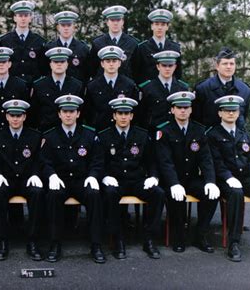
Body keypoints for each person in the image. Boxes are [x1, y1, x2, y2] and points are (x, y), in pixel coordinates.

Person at [40, 95, 105, 263]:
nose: (68, 115)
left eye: (72, 111)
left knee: (94, 195)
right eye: (65, 111)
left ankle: (96, 244)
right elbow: (44, 162)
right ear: (59, 114)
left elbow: (97, 160)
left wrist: (93, 176)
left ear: (78, 113)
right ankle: (55, 244)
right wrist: (52, 175)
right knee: (53, 196)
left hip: (82, 180)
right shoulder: (50, 136)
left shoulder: (89, 135)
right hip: (60, 180)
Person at [155, 91, 220, 253]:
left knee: (212, 194)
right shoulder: (164, 131)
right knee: (176, 198)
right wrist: (174, 183)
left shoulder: (199, 131)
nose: (183, 110)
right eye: (179, 107)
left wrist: (211, 181)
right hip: (172, 180)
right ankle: (178, 237)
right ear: (172, 110)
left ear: (191, 110)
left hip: (191, 178)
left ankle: (200, 234)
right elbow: (165, 162)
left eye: (186, 107)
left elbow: (206, 159)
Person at [99, 97, 164, 259]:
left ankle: (149, 239)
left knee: (158, 193)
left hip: (136, 180)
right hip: (115, 180)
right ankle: (118, 239)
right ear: (114, 115)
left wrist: (154, 177)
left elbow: (152, 160)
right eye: (120, 113)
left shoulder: (142, 135)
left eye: (126, 113)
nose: (123, 117)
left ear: (132, 116)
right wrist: (104, 176)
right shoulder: (104, 136)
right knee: (109, 194)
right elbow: (98, 162)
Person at [0, 99, 44, 261]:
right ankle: (1, 241)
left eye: (18, 115)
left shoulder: (34, 136)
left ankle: (33, 241)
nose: (15, 119)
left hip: (27, 179)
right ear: (6, 116)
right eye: (12, 115)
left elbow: (38, 160)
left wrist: (35, 174)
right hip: (7, 179)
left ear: (24, 117)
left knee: (37, 192)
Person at [206, 95, 250, 262]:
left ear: (238, 113)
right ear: (220, 113)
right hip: (225, 179)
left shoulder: (244, 134)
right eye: (226, 110)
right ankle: (234, 243)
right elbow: (215, 161)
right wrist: (228, 177)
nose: (230, 113)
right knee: (236, 194)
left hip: (245, 177)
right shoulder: (213, 135)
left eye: (234, 110)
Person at [193, 47, 250, 129]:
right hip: (210, 139)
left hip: (235, 140)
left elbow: (243, 117)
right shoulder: (203, 89)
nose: (229, 67)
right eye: (225, 63)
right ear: (217, 66)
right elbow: (197, 120)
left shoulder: (245, 90)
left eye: (231, 64)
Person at [84, 46, 138, 132]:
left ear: (119, 63)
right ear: (102, 64)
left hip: (123, 131)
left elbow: (135, 111)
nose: (111, 64)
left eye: (114, 61)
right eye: (108, 61)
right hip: (100, 131)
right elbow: (88, 112)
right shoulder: (92, 86)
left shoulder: (129, 85)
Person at [31, 47, 83, 132]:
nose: (59, 64)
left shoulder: (77, 85)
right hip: (46, 132)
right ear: (50, 64)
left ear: (67, 64)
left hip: (69, 132)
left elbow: (81, 113)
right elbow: (34, 113)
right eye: (55, 62)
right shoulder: (39, 85)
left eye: (62, 62)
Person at [137, 50, 188, 132]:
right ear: (158, 66)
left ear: (175, 66)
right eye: (164, 65)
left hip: (176, 134)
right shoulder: (147, 88)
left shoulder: (182, 88)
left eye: (170, 65)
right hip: (154, 133)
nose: (167, 69)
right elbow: (142, 115)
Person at [0, 1, 46, 84]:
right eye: (20, 15)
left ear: (30, 18)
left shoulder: (39, 41)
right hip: (12, 86)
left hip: (33, 87)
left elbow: (43, 68)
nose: (23, 18)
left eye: (26, 15)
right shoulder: (5, 40)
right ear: (15, 18)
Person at [132, 9, 181, 84]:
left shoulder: (175, 48)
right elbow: (135, 73)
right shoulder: (142, 48)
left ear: (167, 27)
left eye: (163, 24)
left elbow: (178, 74)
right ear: (152, 26)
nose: (160, 28)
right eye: (157, 24)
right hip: (148, 92)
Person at [89, 5, 138, 78]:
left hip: (126, 86)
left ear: (123, 22)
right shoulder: (97, 43)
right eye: (112, 20)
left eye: (118, 20)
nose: (115, 23)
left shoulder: (132, 43)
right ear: (107, 22)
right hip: (103, 86)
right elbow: (92, 69)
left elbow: (136, 68)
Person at [45, 11, 90, 83]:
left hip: (76, 91)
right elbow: (45, 71)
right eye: (63, 25)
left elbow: (87, 73)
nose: (66, 28)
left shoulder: (82, 48)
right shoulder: (49, 47)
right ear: (58, 27)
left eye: (69, 25)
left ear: (74, 27)